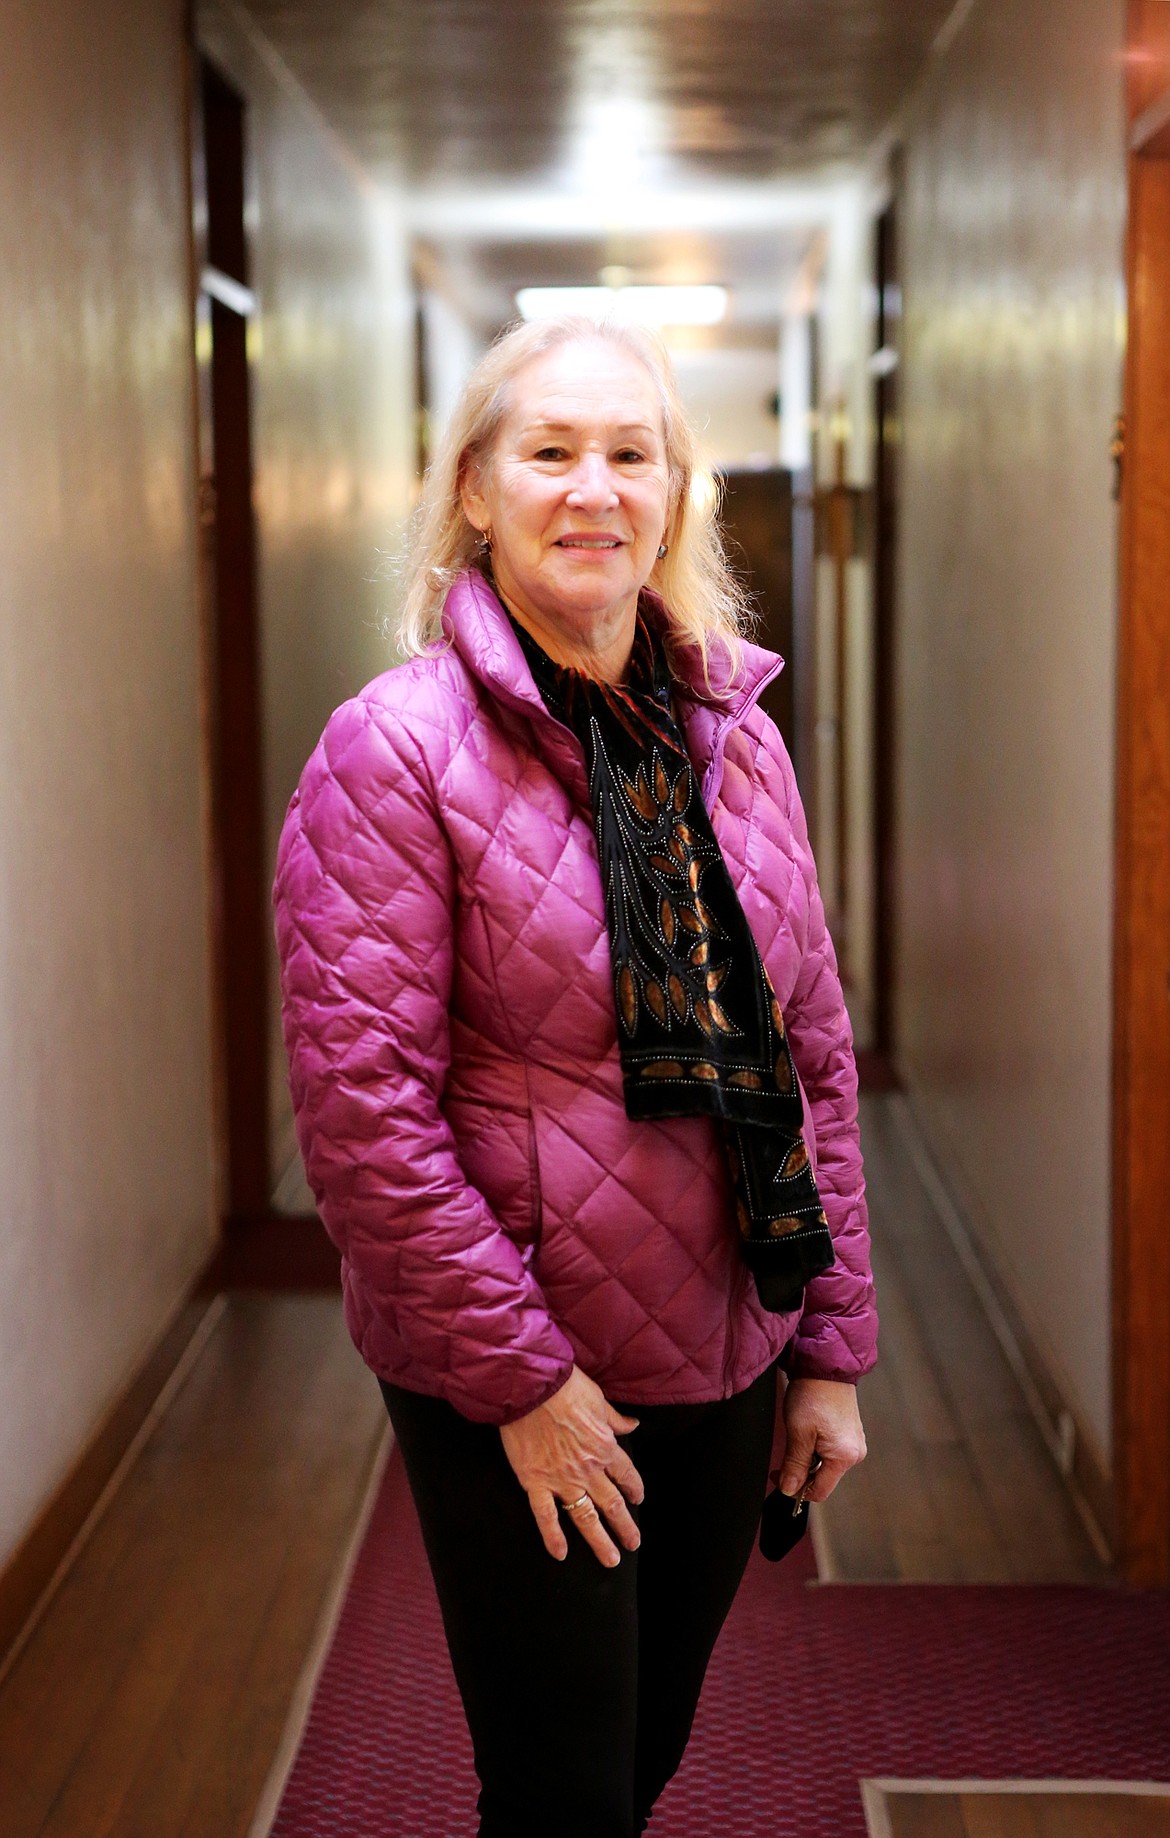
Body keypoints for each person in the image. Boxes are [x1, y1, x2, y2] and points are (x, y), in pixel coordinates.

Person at [273, 314, 877, 1838]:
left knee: (642, 1761)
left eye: (631, 452)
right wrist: (524, 1383)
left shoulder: (737, 738)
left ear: (676, 490)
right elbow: (366, 1121)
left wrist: (829, 1345)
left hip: (728, 1341)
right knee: (561, 1795)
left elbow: (807, 1048)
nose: (592, 487)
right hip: (527, 1372)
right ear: (476, 490)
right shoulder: (394, 751)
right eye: (549, 451)